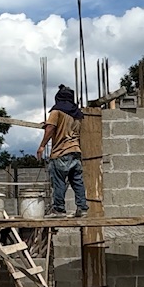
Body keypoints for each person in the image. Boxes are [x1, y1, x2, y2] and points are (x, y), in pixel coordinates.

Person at [39, 84, 89, 216]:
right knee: (77, 181)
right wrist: (49, 123)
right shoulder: (77, 114)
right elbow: (66, 126)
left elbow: (51, 129)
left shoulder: (56, 111)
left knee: (59, 181)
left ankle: (59, 209)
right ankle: (82, 208)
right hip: (75, 151)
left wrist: (42, 145)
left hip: (61, 152)